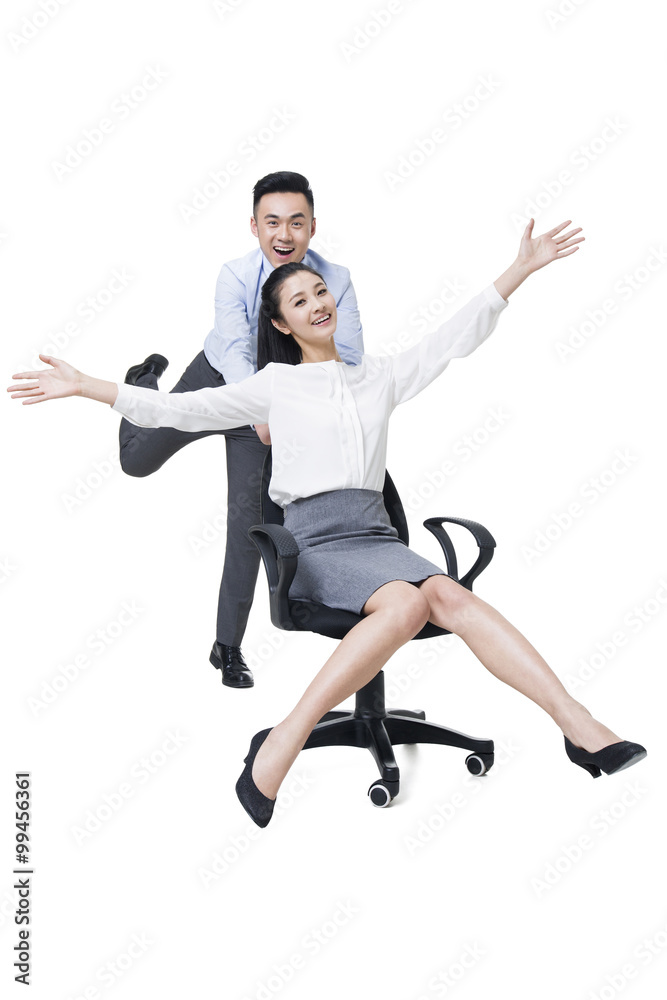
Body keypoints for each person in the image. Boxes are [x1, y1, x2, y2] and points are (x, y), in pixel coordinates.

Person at [8, 218, 646, 829]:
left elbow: (456, 336)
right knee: (405, 607)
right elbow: (178, 409)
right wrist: (87, 385)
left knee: (447, 593)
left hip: (377, 540)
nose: (317, 303)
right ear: (282, 324)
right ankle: (282, 743)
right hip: (314, 545)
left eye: (321, 291)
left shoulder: (379, 376)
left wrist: (520, 270)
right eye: (300, 299)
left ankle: (574, 721)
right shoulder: (274, 386)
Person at [118, 171, 364, 688]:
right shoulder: (233, 275)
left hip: (274, 408)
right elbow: (233, 351)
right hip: (220, 382)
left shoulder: (334, 279)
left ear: (313, 227)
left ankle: (225, 646)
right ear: (253, 226)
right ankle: (142, 388)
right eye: (272, 222)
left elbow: (352, 355)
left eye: (296, 223)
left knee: (248, 526)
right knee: (136, 463)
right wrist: (258, 407)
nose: (284, 235)